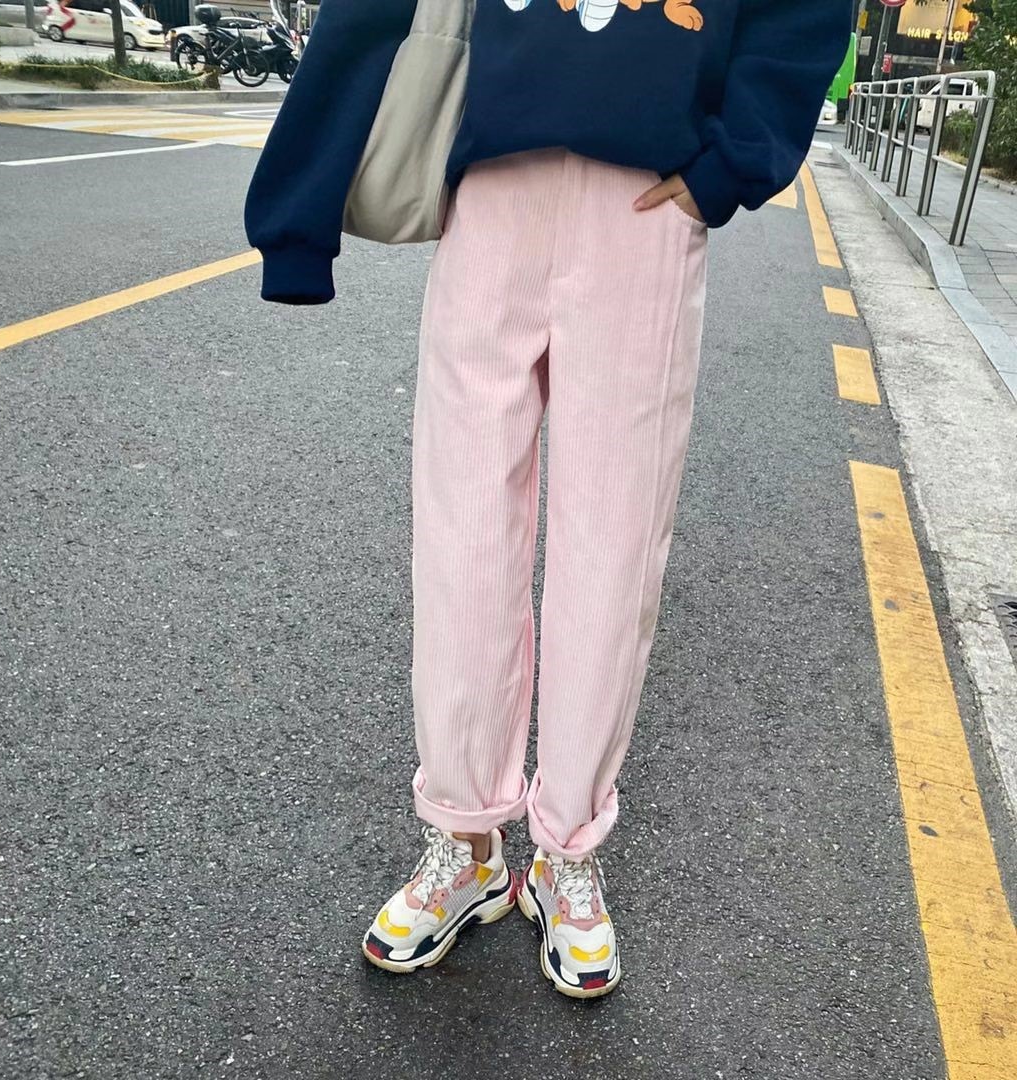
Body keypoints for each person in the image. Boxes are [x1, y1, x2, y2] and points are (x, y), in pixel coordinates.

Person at [245, 0, 849, 999]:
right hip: (490, 188)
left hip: (648, 204)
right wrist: (297, 215)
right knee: (461, 536)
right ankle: (467, 840)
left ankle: (568, 848)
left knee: (613, 548)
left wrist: (733, 164)